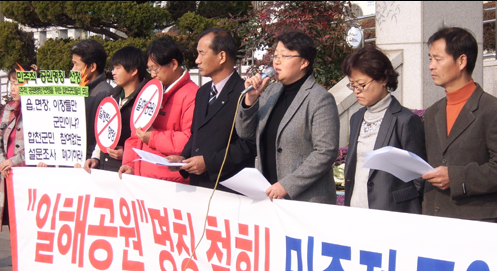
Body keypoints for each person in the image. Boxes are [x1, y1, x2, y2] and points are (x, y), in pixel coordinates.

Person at [236, 31, 339, 203]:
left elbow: (325, 152)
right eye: (275, 55)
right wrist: (250, 100)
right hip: (268, 195)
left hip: (305, 199)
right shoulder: (271, 92)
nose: (277, 61)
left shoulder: (319, 98)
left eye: (285, 56)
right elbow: (245, 134)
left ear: (304, 62)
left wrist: (287, 185)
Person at [167, 28, 256, 191]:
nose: (197, 60)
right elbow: (196, 134)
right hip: (198, 185)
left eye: (202, 53)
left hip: (227, 187)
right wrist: (183, 158)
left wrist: (209, 163)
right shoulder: (203, 91)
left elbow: (248, 144)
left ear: (221, 56)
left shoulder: (244, 93)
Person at [422, 27, 497, 222]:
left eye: (438, 59)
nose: (431, 66)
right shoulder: (432, 113)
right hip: (434, 219)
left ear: (462, 61)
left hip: (476, 223)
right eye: (430, 59)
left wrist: (456, 178)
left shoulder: (490, 109)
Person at [341, 45, 426, 213]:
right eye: (352, 85)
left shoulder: (405, 120)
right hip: (356, 210)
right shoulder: (356, 118)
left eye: (361, 85)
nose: (356, 91)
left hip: (392, 213)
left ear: (383, 79)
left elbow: (420, 176)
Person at [118, 37, 198, 183]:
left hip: (172, 184)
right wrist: (130, 164)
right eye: (150, 69)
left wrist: (153, 137)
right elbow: (136, 132)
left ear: (173, 64)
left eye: (155, 68)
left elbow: (190, 140)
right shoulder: (151, 92)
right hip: (144, 178)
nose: (153, 74)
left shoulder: (192, 95)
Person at [0, 66, 34, 271]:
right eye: (11, 83)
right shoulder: (7, 110)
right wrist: (2, 160)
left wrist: (13, 160)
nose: (14, 88)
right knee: (12, 229)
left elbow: (38, 145)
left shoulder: (35, 111)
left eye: (18, 83)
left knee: (25, 232)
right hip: (6, 177)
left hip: (25, 176)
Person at [84, 46, 148, 173]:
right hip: (104, 167)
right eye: (113, 68)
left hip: (128, 172)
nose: (113, 72)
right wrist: (96, 157)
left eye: (118, 68)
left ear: (134, 70)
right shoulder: (111, 96)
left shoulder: (146, 100)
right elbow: (103, 132)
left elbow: (149, 141)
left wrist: (127, 154)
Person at [71, 39, 113, 160]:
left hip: (88, 163)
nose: (73, 69)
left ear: (92, 66)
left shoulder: (106, 94)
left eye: (76, 64)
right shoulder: (77, 90)